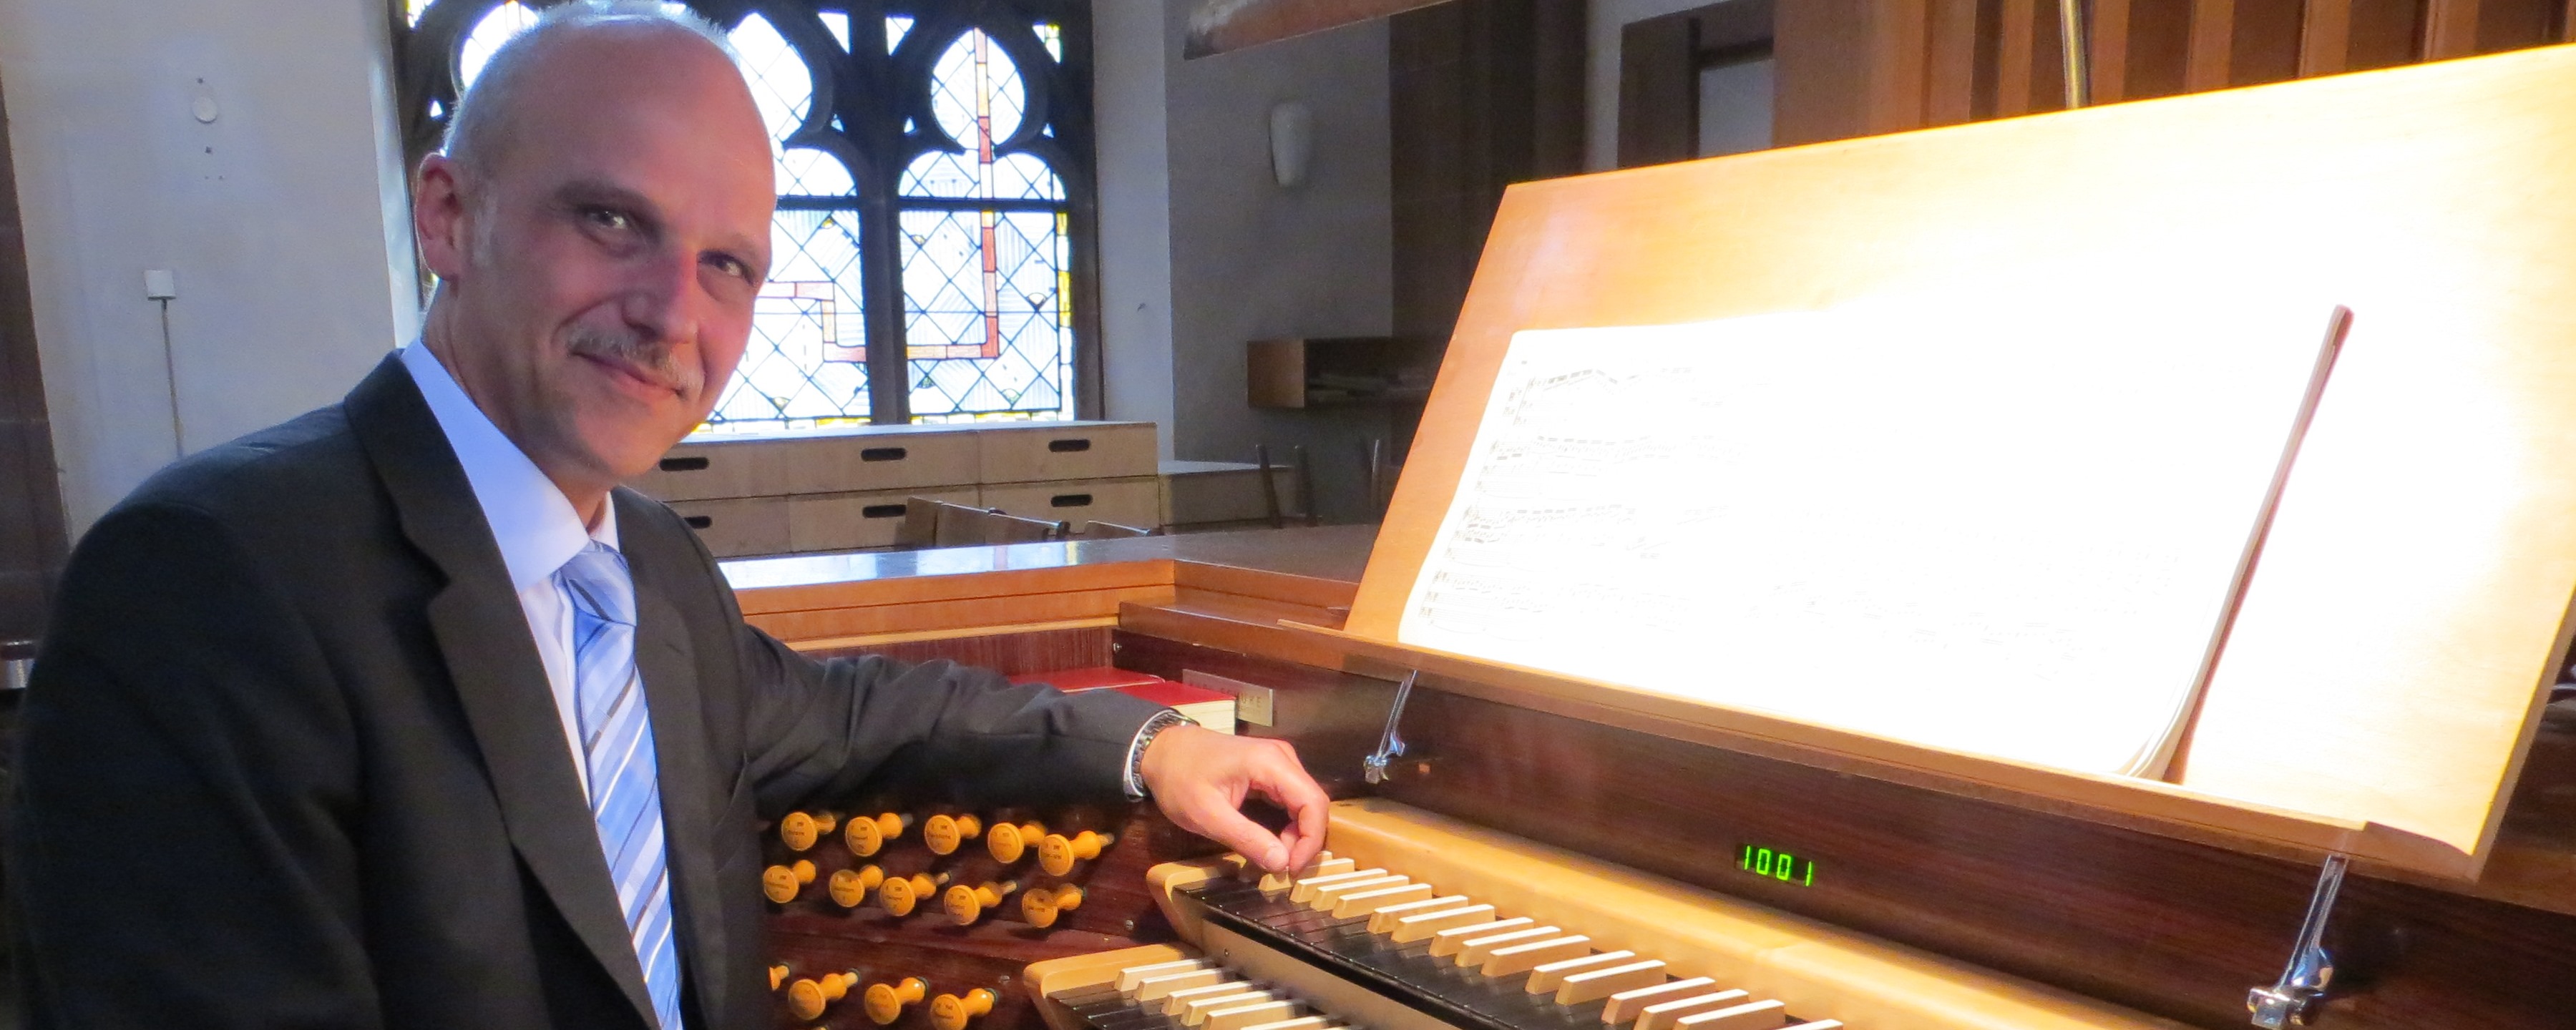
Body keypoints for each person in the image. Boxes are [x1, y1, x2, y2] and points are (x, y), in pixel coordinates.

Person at [6, 4, 1327, 1028]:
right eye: (610, 220)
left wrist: (1152, 745)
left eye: (727, 265)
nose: (671, 314)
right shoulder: (208, 583)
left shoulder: (639, 562)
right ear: (448, 217)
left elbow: (853, 716)